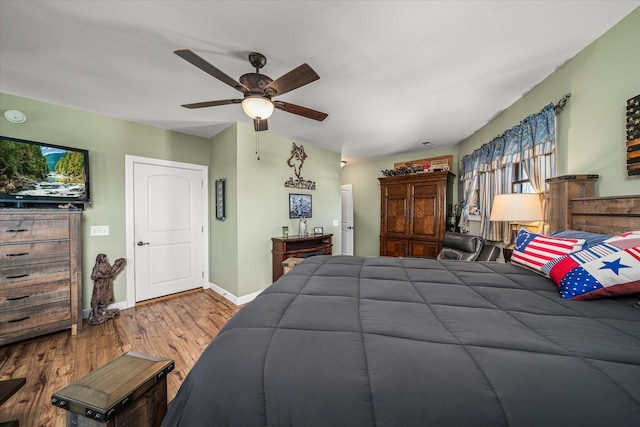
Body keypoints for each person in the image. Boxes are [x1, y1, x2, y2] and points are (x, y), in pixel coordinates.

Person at [89, 253, 126, 326]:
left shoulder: (107, 264)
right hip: (99, 285)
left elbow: (111, 271)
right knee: (97, 299)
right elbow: (93, 276)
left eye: (105, 258)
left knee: (105, 298)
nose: (105, 259)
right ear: (99, 259)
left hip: (107, 284)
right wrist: (105, 276)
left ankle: (103, 311)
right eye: (103, 258)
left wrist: (118, 265)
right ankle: (96, 313)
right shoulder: (97, 267)